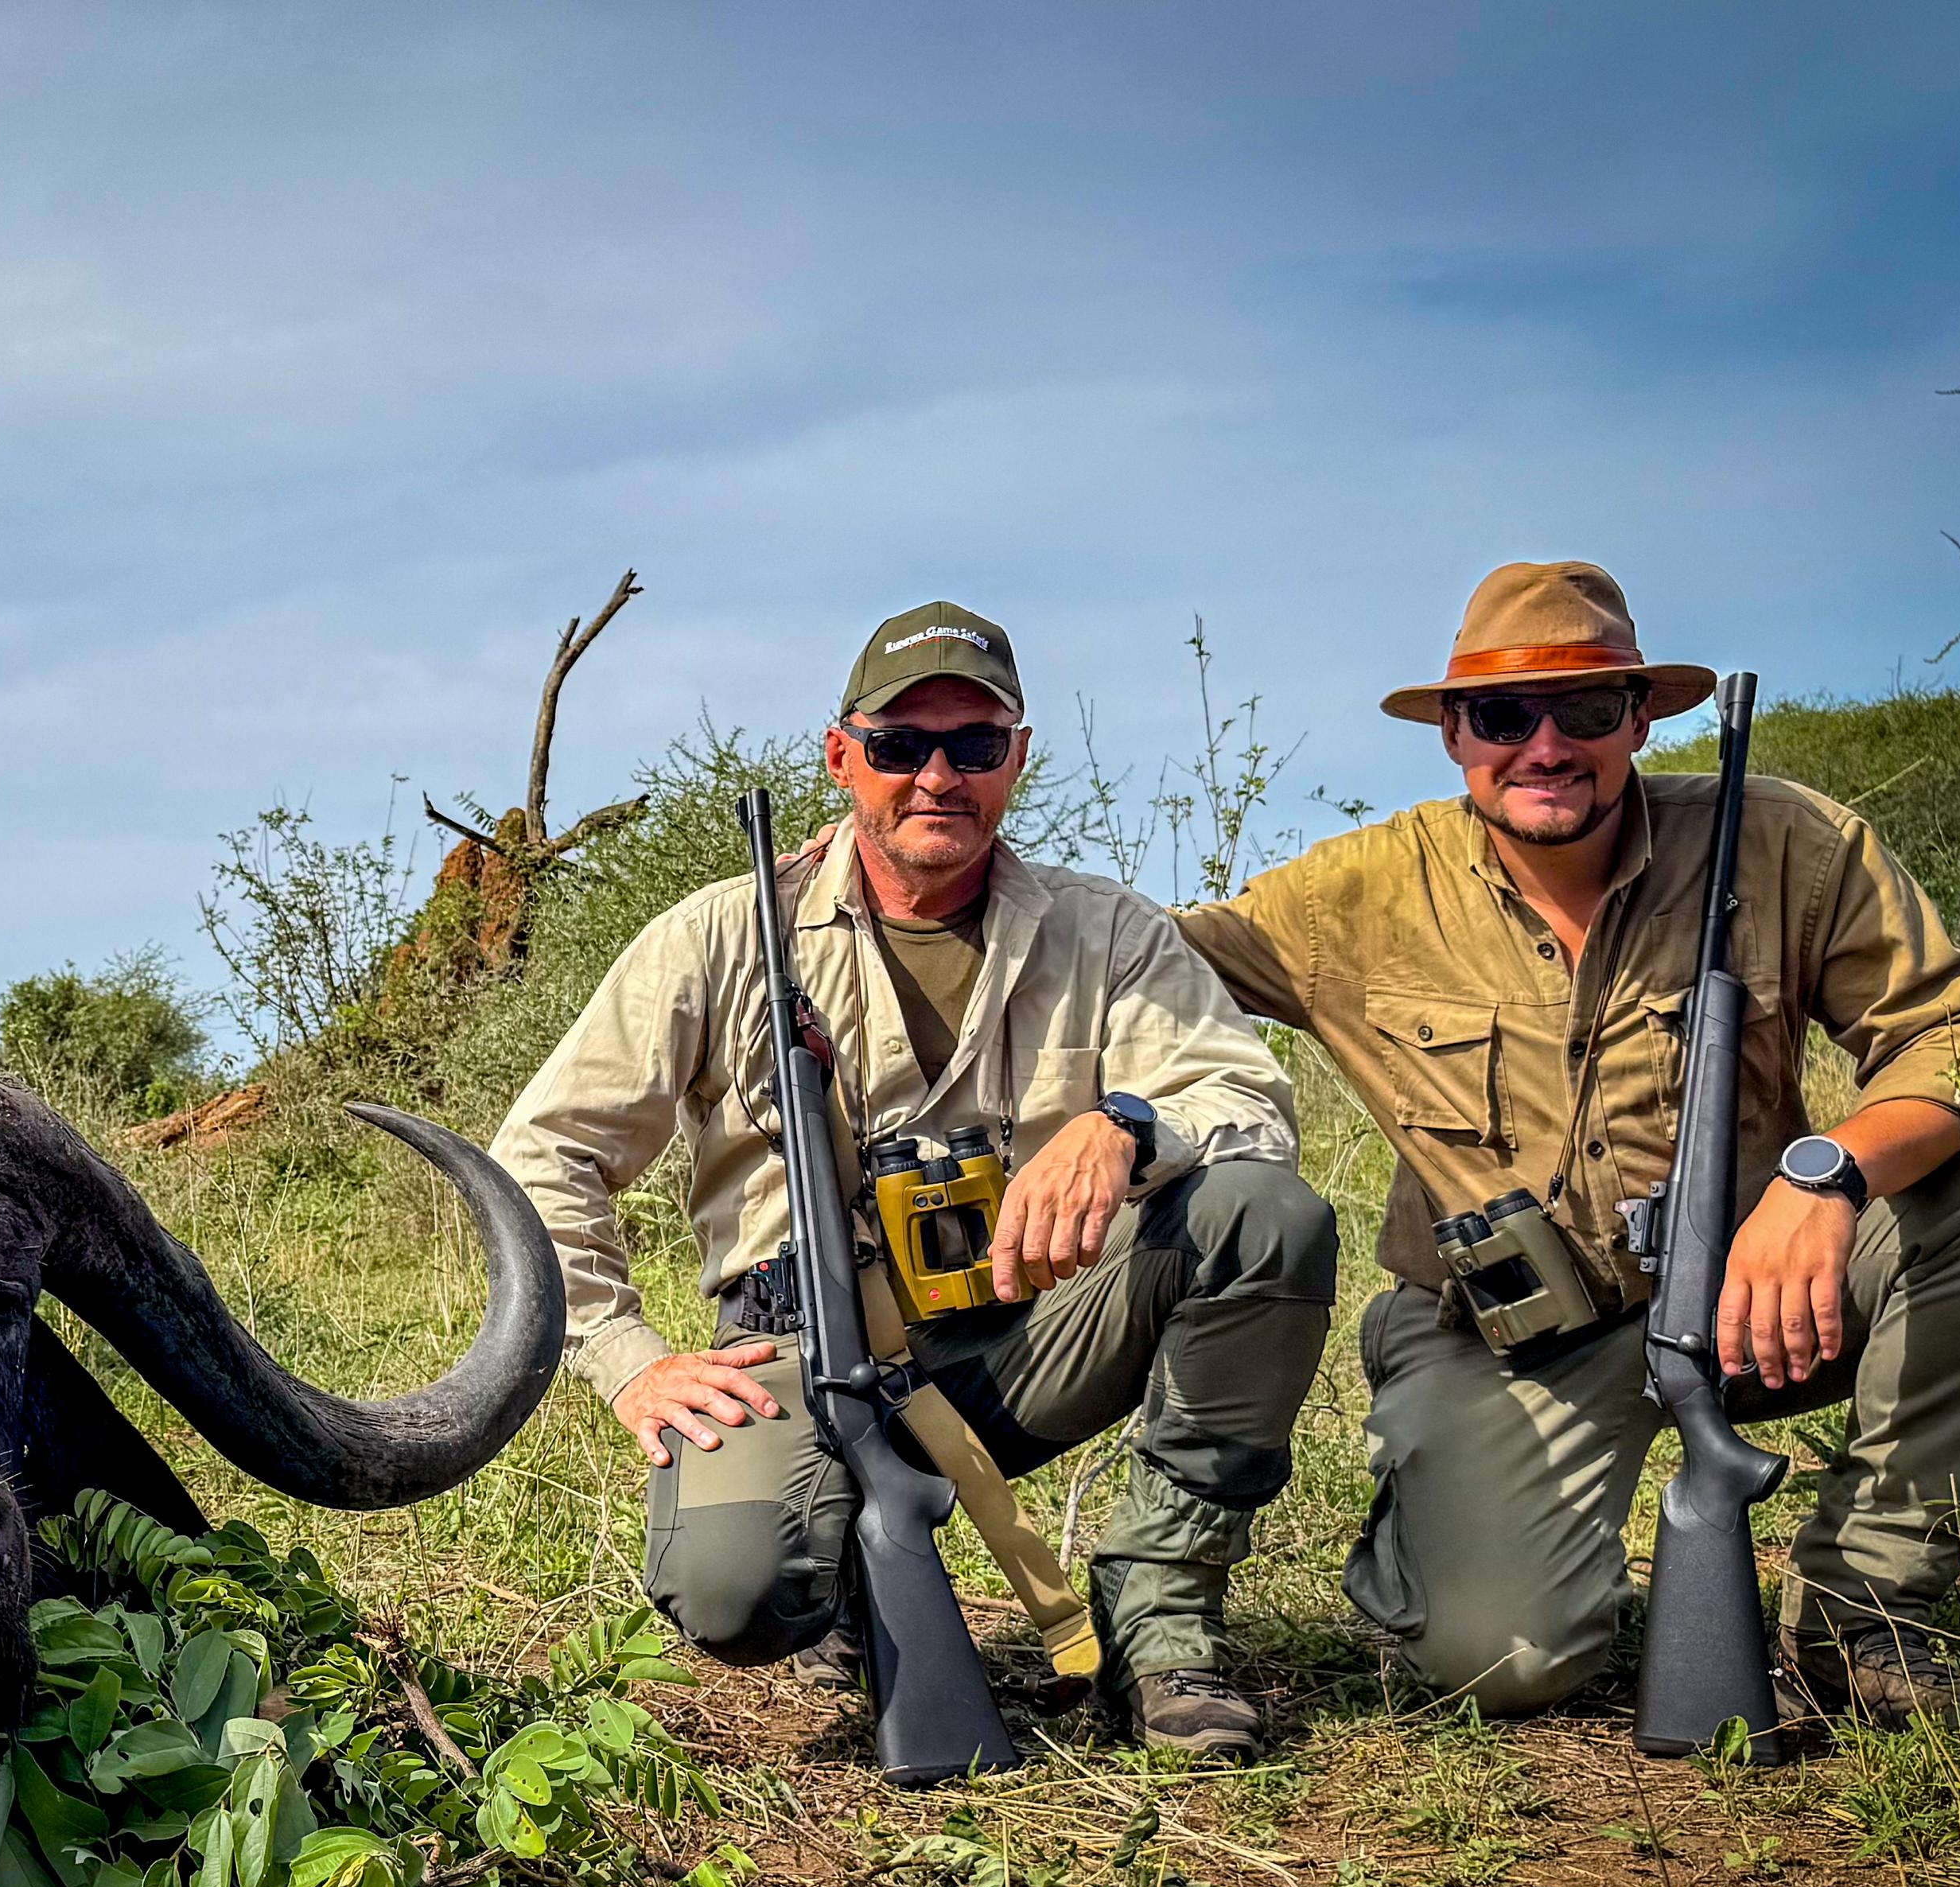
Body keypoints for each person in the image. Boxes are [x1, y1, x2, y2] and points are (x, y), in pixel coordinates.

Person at [1176, 561, 1960, 1726]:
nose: (1547, 747)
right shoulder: (1354, 893)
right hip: (1506, 1335)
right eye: (1506, 716)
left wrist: (1826, 1176)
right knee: (1497, 1663)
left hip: (1756, 1300)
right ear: (1454, 733)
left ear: (1642, 716)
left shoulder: (1783, 840)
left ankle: (1868, 1597)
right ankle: (1451, 1520)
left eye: (1586, 711)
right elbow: (1141, 963)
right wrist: (932, 849)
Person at [494, 601, 1339, 1761]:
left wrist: (1126, 1127)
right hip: (804, 1360)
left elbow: (1252, 1110)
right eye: (900, 746)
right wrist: (628, 1361)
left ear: (1017, 759)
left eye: (974, 745)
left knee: (1262, 1218)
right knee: (735, 1591)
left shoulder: (1110, 932)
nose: (937, 775)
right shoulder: (724, 934)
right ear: (843, 757)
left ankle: (1161, 1624)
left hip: (1024, 1339)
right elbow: (542, 1152)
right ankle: (835, 1564)